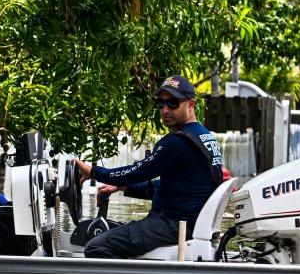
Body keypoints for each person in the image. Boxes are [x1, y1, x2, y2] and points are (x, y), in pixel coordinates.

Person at [73, 75, 224, 259]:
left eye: (173, 103)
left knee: (96, 247)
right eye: (161, 104)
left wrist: (95, 172)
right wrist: (122, 187)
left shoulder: (177, 143)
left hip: (172, 225)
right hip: (188, 222)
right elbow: (176, 188)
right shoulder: (205, 136)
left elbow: (137, 172)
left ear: (191, 104)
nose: (165, 110)